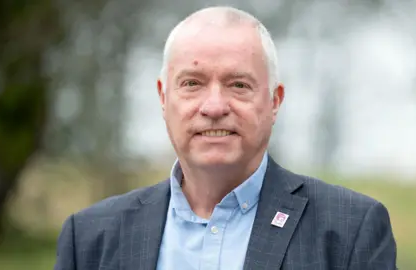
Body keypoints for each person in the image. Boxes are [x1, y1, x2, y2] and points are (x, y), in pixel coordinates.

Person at [54, 6, 397, 270]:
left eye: (238, 85)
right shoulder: (88, 238)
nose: (214, 106)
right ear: (163, 98)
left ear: (274, 102)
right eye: (192, 83)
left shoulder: (350, 230)